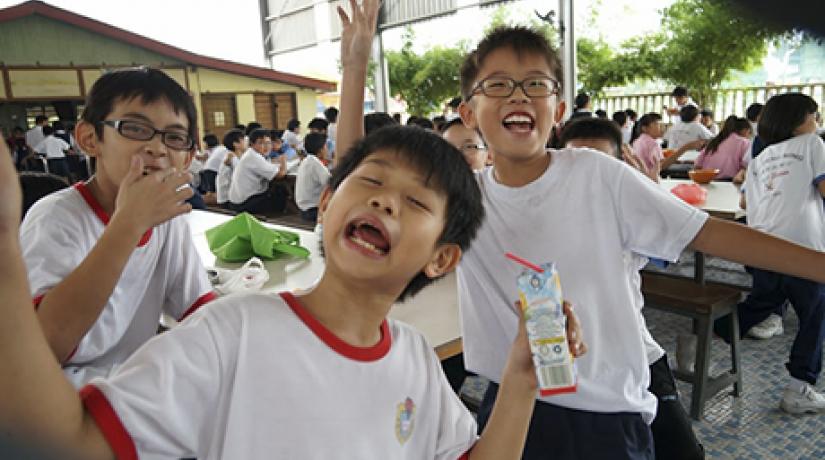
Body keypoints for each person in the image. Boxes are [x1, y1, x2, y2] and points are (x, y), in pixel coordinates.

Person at [0, 14, 586, 457]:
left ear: (441, 257)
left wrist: (520, 382)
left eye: (415, 201)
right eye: (372, 181)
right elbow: (63, 437)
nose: (385, 198)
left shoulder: (414, 361)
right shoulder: (231, 335)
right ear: (326, 204)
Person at [446, 26, 825, 460]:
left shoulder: (596, 175)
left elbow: (707, 232)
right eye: (497, 84)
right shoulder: (459, 196)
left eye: (536, 83)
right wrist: (358, 61)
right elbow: (362, 193)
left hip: (607, 410)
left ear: (559, 110)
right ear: (469, 113)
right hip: (513, 402)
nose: (518, 95)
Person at [18, 67, 215, 389]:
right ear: (89, 139)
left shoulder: (168, 220)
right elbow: (45, 346)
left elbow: (197, 308)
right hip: (57, 398)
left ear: (188, 156)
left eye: (175, 137)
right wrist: (129, 223)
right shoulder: (56, 217)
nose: (157, 148)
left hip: (128, 386)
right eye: (136, 129)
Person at [559, 116, 704, 459]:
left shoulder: (627, 218)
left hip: (637, 354)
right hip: (568, 366)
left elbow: (667, 256)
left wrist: (651, 192)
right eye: (575, 164)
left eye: (600, 166)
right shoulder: (543, 219)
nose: (587, 177)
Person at [715, 93, 825, 414]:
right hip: (802, 250)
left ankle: (702, 336)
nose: (816, 122)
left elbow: (745, 204)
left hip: (763, 249)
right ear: (798, 121)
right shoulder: (813, 144)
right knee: (815, 315)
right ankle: (797, 389)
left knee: (760, 305)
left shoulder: (761, 158)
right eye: (813, 115)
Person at [229, 128, 288, 214]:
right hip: (244, 204)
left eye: (268, 143)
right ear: (252, 144)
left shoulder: (251, 154)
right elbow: (280, 174)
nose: (266, 146)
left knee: (275, 189)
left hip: (238, 200)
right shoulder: (253, 157)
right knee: (280, 191)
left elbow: (267, 164)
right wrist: (283, 160)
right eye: (261, 143)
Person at [694, 116, 751, 180]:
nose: (749, 135)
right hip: (730, 182)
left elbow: (697, 164)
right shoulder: (744, 142)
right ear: (745, 130)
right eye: (749, 132)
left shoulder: (715, 141)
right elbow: (747, 165)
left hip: (707, 180)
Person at [294, 131, 330, 223]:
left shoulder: (306, 160)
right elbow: (331, 183)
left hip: (304, 210)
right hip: (313, 211)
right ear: (320, 150)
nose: (327, 149)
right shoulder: (315, 163)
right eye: (326, 146)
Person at [216, 129, 244, 210]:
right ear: (236, 144)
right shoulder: (232, 158)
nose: (246, 142)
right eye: (243, 140)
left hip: (226, 198)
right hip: (228, 200)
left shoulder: (232, 156)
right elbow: (241, 176)